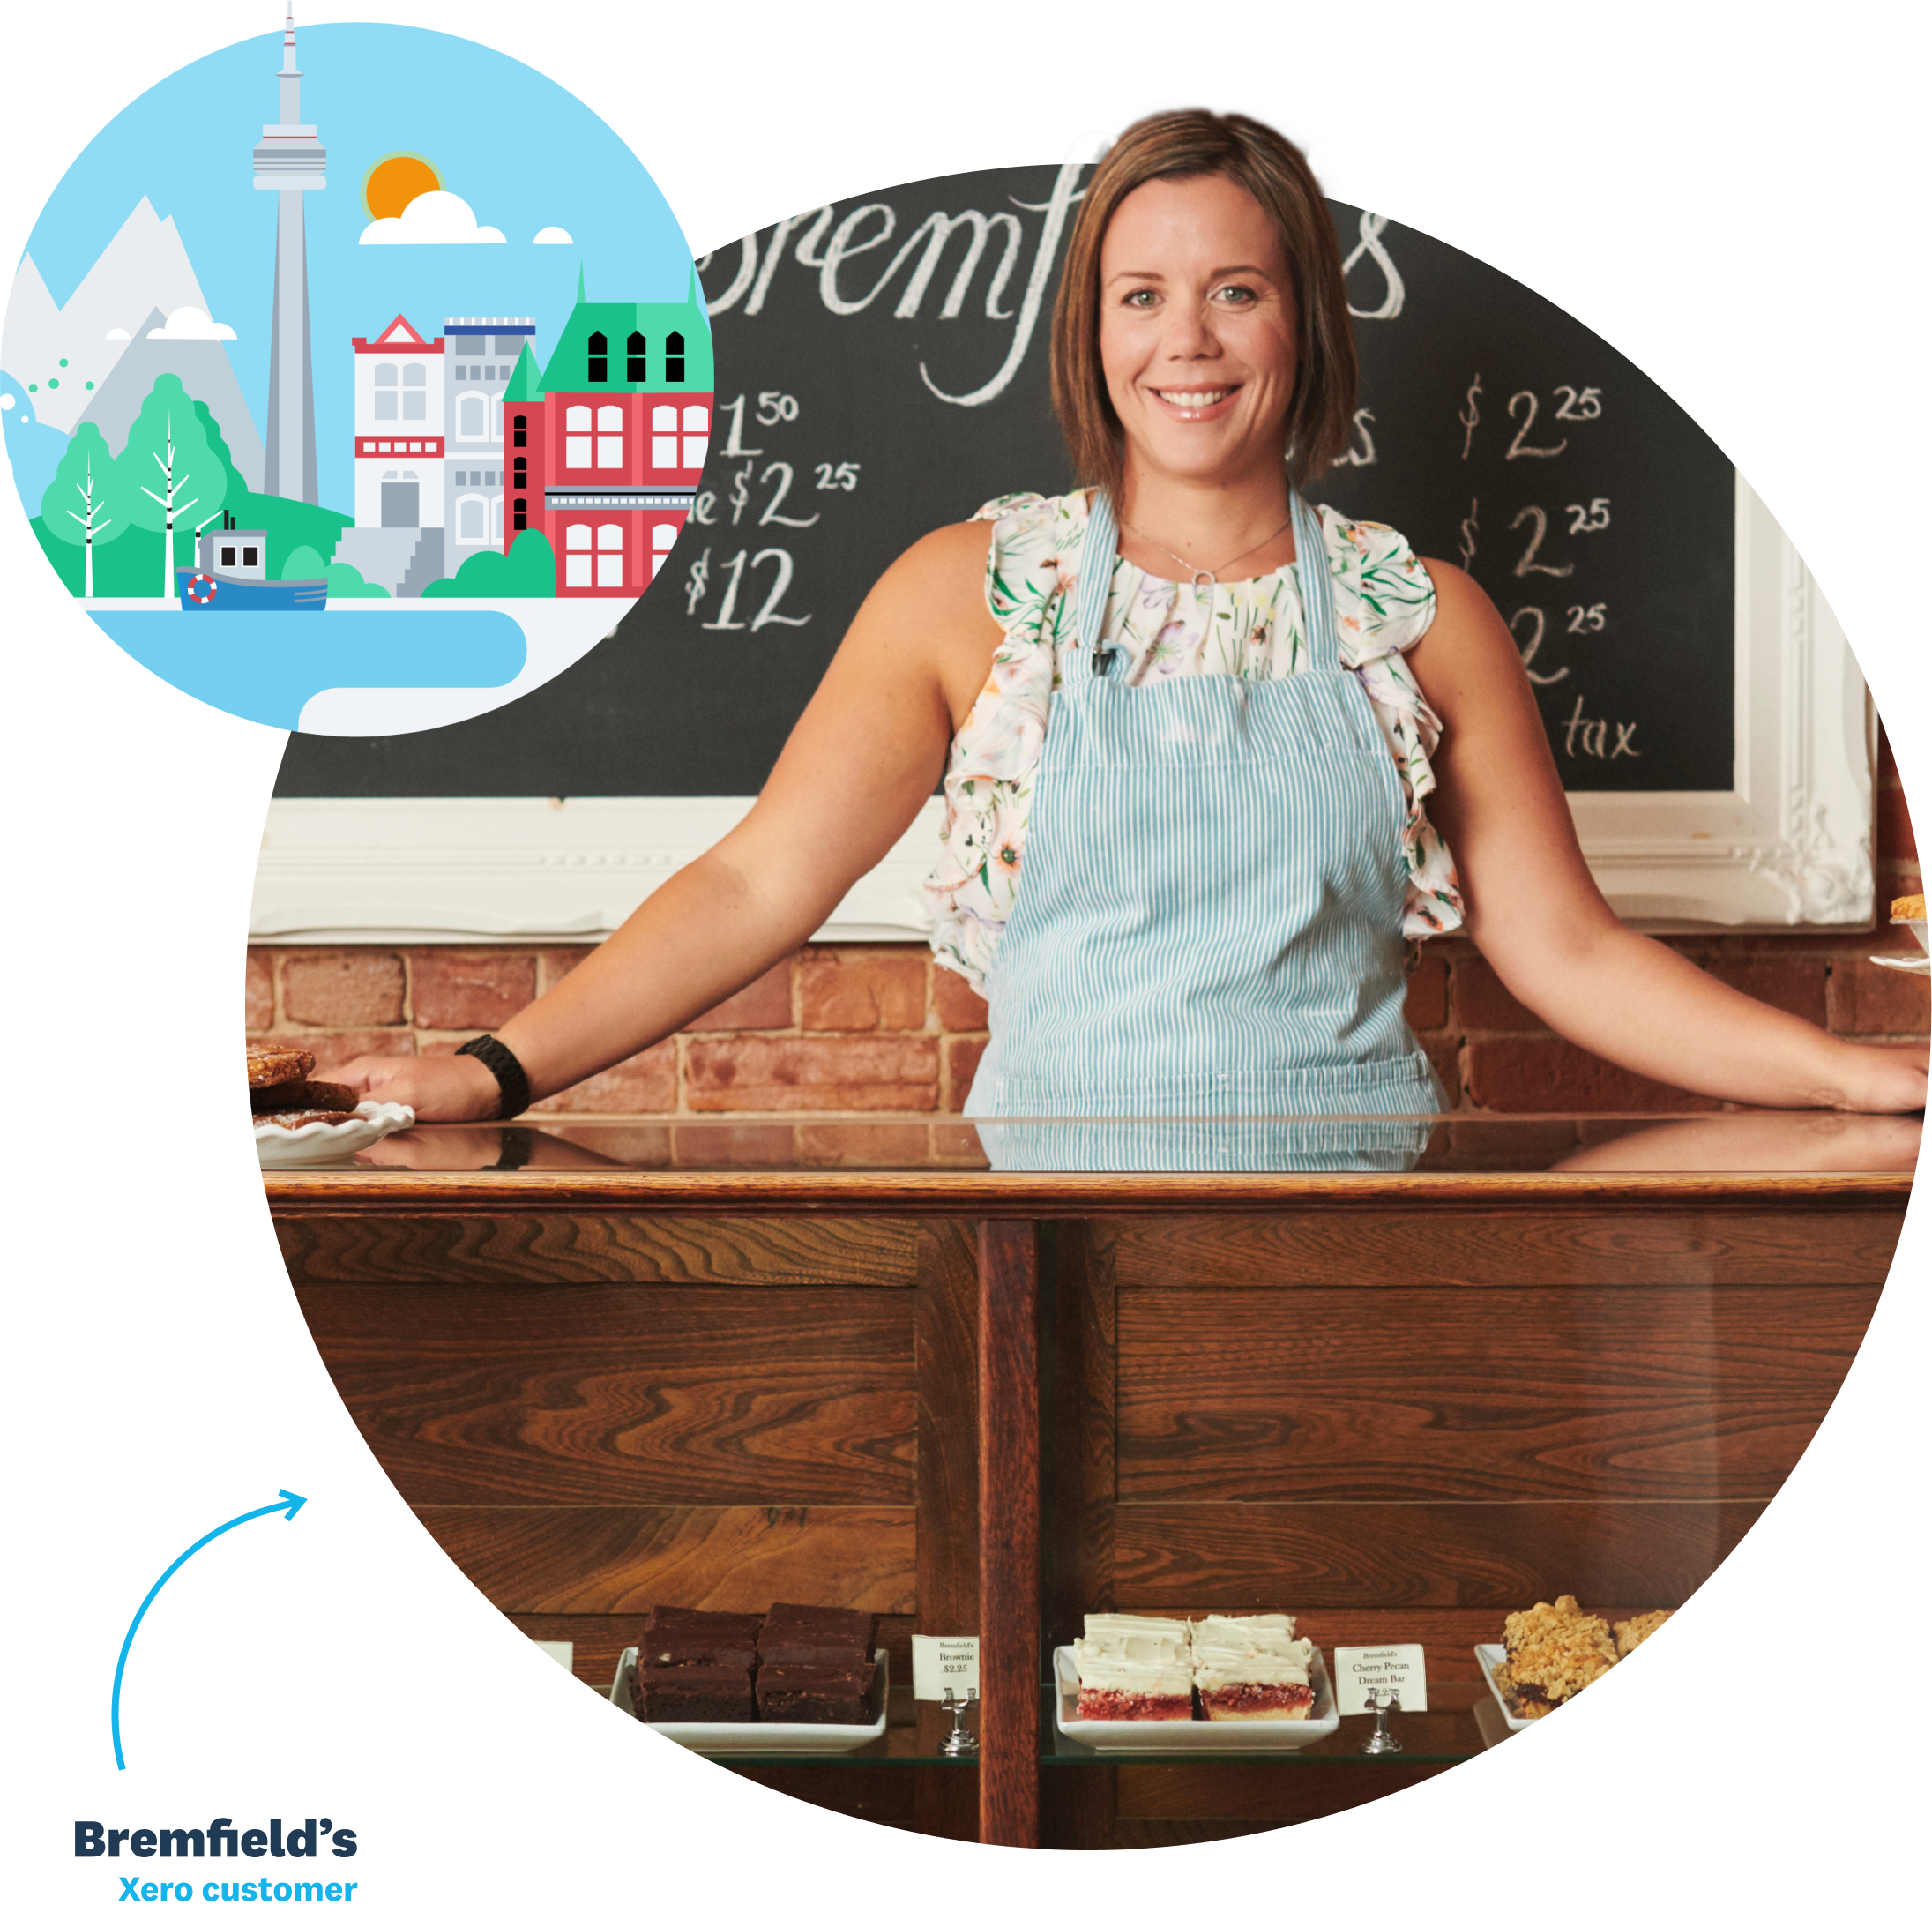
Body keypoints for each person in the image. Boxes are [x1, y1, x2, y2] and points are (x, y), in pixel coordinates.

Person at [337, 106, 1928, 1137]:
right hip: (1044, 1228)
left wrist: (1860, 1079)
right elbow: (758, 879)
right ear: (1087, 331)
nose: (1189, 339)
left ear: (1303, 322)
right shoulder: (966, 592)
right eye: (1140, 294)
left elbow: (1567, 953)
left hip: (1366, 1233)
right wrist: (494, 1069)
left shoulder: (1422, 618)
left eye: (1236, 289)